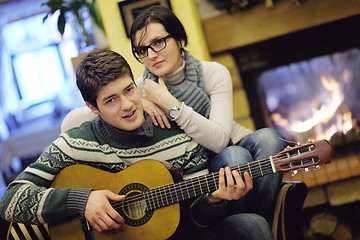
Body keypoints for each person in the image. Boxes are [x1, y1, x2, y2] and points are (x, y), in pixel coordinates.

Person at [0, 48, 274, 240]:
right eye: (111, 100)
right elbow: (10, 201)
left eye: (129, 90)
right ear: (92, 107)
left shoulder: (179, 134)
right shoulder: (74, 143)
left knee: (251, 225)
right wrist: (83, 201)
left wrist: (213, 200)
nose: (128, 105)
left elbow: (195, 221)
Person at [61, 5, 287, 224]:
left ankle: (262, 223)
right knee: (235, 158)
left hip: (228, 140)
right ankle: (240, 225)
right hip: (204, 164)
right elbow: (72, 122)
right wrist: (142, 104)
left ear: (180, 40)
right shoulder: (136, 91)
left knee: (269, 139)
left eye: (158, 42)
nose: (151, 55)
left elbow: (219, 141)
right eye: (142, 50)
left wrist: (169, 104)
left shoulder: (213, 73)